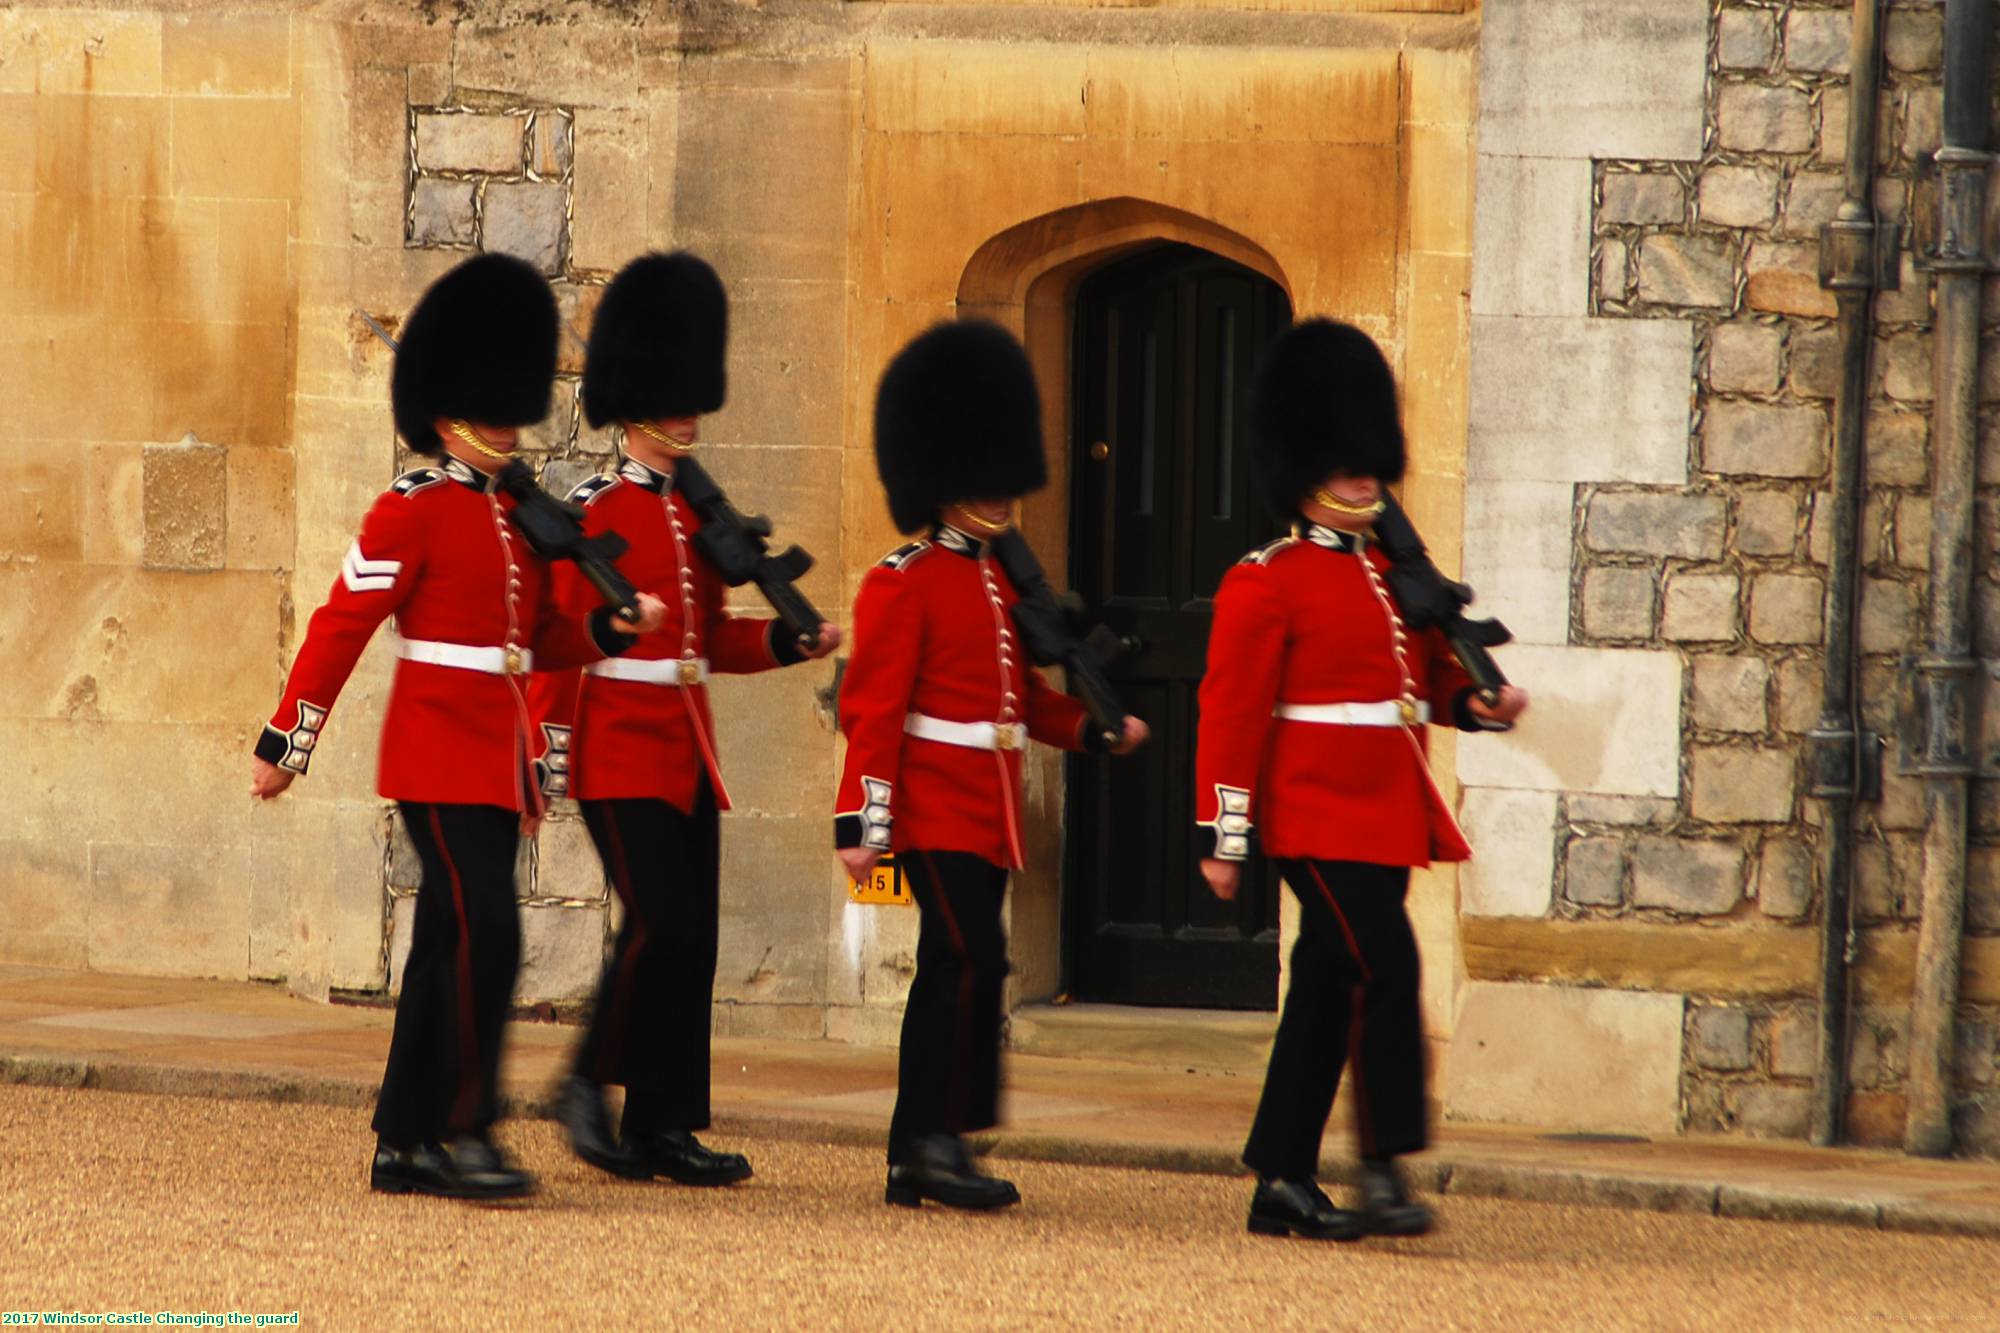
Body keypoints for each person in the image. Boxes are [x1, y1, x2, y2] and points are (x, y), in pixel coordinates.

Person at [248, 253, 667, 1200]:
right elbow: (340, 623)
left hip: (498, 754)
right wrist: (288, 743)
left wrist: (609, 624)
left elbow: (542, 637)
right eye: (494, 412)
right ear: (449, 418)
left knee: (447, 943)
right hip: (436, 752)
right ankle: (467, 1128)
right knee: (488, 936)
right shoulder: (412, 511)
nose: (511, 428)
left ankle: (405, 1140)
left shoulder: (516, 518)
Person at [1194, 319, 1528, 1241]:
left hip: (1385, 806)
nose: (1362, 477)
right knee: (1386, 963)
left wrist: (1476, 705)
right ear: (1306, 471)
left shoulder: (1391, 574)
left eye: (1367, 463)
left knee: (1327, 981)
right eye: (1345, 464)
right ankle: (1383, 1166)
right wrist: (1224, 836)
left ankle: (1282, 1180)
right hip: (1311, 811)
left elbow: (1422, 682)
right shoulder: (1268, 580)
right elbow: (1229, 714)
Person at [529, 251, 841, 1186]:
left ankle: (664, 1123)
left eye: (690, 399)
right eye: (670, 399)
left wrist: (791, 645)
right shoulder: (595, 508)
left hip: (686, 749)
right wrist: (549, 754)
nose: (686, 413)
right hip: (616, 747)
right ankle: (583, 1082)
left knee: (692, 940)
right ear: (632, 406)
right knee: (657, 924)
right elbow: (557, 643)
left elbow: (713, 646)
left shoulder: (702, 522)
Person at [834, 321, 1149, 1211]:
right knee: (963, 957)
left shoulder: (1002, 581)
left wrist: (1093, 730)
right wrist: (864, 819)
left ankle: (936, 1144)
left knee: (973, 963)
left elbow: (1021, 708)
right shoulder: (904, 579)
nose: (1004, 492)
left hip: (989, 805)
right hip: (932, 804)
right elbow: (874, 708)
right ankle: (926, 1141)